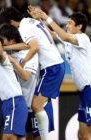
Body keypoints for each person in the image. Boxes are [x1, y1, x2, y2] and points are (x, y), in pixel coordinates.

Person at [0, 6, 65, 140]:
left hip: (51, 66)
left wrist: (22, 63)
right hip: (55, 64)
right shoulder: (31, 21)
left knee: (35, 105)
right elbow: (48, 35)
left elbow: (34, 47)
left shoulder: (23, 27)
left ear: (11, 22)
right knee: (36, 106)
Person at [29, 6, 91, 140]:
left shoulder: (83, 39)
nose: (67, 26)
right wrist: (39, 20)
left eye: (70, 23)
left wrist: (48, 18)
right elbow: (51, 34)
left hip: (90, 89)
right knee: (83, 134)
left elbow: (62, 35)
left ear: (80, 26)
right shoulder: (70, 39)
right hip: (84, 91)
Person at [0, 22, 28, 140]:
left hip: (14, 102)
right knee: (19, 138)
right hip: (9, 103)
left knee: (8, 137)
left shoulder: (2, 59)